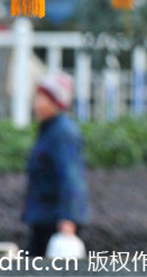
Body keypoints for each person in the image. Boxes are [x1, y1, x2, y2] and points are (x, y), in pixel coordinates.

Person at [22, 72, 89, 257]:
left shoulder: (63, 132)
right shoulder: (49, 129)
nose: (35, 103)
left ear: (54, 102)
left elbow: (71, 177)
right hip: (44, 217)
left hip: (55, 220)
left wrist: (68, 218)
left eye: (40, 98)